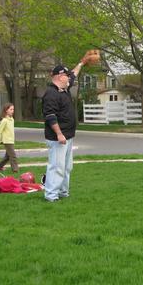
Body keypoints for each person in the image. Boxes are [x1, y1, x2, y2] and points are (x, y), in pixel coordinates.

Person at [42, 50, 100, 202]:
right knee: (57, 166)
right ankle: (51, 195)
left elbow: (74, 73)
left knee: (67, 167)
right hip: (58, 138)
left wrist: (82, 62)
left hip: (68, 136)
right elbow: (50, 116)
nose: (69, 78)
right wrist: (59, 134)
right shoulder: (51, 93)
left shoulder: (64, 89)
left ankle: (63, 192)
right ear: (59, 77)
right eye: (66, 76)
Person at [0, 103, 19, 173]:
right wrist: (0, 139)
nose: (12, 111)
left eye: (13, 109)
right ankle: (15, 170)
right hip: (7, 141)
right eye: (11, 109)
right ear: (6, 110)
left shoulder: (12, 119)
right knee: (13, 156)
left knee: (7, 157)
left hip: (11, 140)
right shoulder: (4, 120)